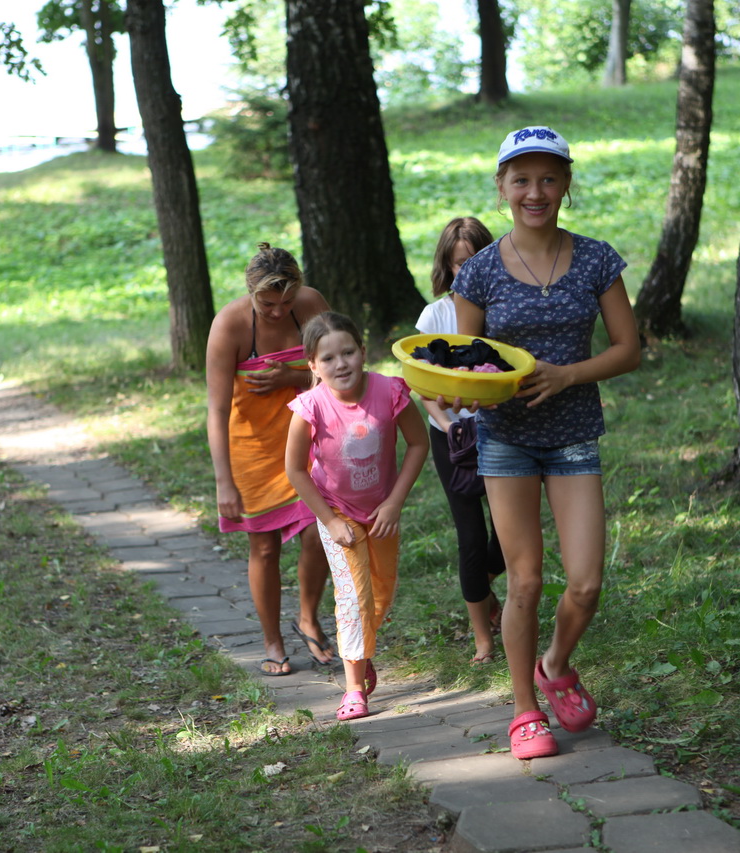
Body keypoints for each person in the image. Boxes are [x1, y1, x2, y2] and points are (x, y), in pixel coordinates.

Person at [448, 126, 641, 759]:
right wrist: (464, 393)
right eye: (522, 179)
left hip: (573, 436)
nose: (536, 191)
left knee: (585, 584)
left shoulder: (597, 260)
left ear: (566, 184)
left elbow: (628, 350)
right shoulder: (477, 273)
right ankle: (524, 710)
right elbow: (466, 362)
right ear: (502, 187)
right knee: (525, 583)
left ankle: (554, 663)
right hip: (506, 440)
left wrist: (567, 376)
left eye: (548, 178)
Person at [284, 312, 429, 721]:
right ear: (313, 366)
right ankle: (353, 688)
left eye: (347, 352)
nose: (341, 364)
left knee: (380, 592)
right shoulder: (310, 406)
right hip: (337, 512)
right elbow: (295, 469)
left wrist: (394, 502)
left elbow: (419, 443)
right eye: (328, 358)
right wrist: (329, 521)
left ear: (363, 352)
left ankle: (360, 652)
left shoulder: (390, 391)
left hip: (381, 511)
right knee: (353, 596)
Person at [206, 243, 338, 676]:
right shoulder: (229, 325)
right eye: (268, 304)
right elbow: (217, 410)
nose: (279, 311)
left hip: (308, 442)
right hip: (254, 450)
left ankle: (308, 617)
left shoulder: (311, 305)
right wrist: (223, 482)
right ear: (251, 293)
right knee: (263, 547)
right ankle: (272, 641)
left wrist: (292, 376)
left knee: (320, 533)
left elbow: (339, 369)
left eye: (286, 301)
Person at [416, 217, 507, 665]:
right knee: (471, 538)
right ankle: (483, 639)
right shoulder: (434, 316)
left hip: (502, 431)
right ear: (446, 265)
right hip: (451, 439)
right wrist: (447, 422)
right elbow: (421, 382)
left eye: (472, 262)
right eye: (457, 264)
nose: (464, 271)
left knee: (507, 538)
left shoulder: (503, 309)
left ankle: (482, 589)